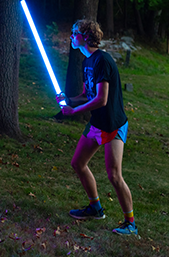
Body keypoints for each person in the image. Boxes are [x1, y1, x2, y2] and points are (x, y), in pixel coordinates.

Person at [56, 19, 137, 236]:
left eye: (75, 32)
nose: (71, 36)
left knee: (114, 175)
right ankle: (95, 208)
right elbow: (87, 94)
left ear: (86, 36)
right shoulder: (87, 62)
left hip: (113, 123)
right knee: (78, 163)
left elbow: (102, 99)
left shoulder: (103, 61)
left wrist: (75, 112)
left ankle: (130, 223)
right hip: (97, 123)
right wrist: (70, 100)